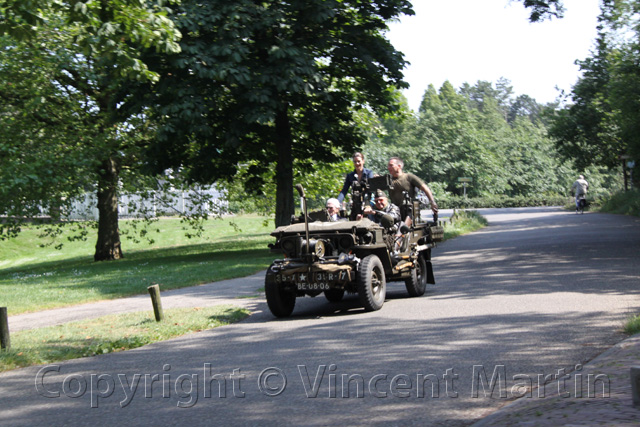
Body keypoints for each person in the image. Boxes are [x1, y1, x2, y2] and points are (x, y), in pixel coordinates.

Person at [386, 157, 438, 223]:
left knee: (404, 225)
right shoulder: (388, 180)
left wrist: (432, 202)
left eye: (391, 165)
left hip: (409, 210)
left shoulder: (409, 177)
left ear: (399, 166)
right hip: (395, 211)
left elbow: (425, 188)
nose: (388, 168)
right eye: (388, 166)